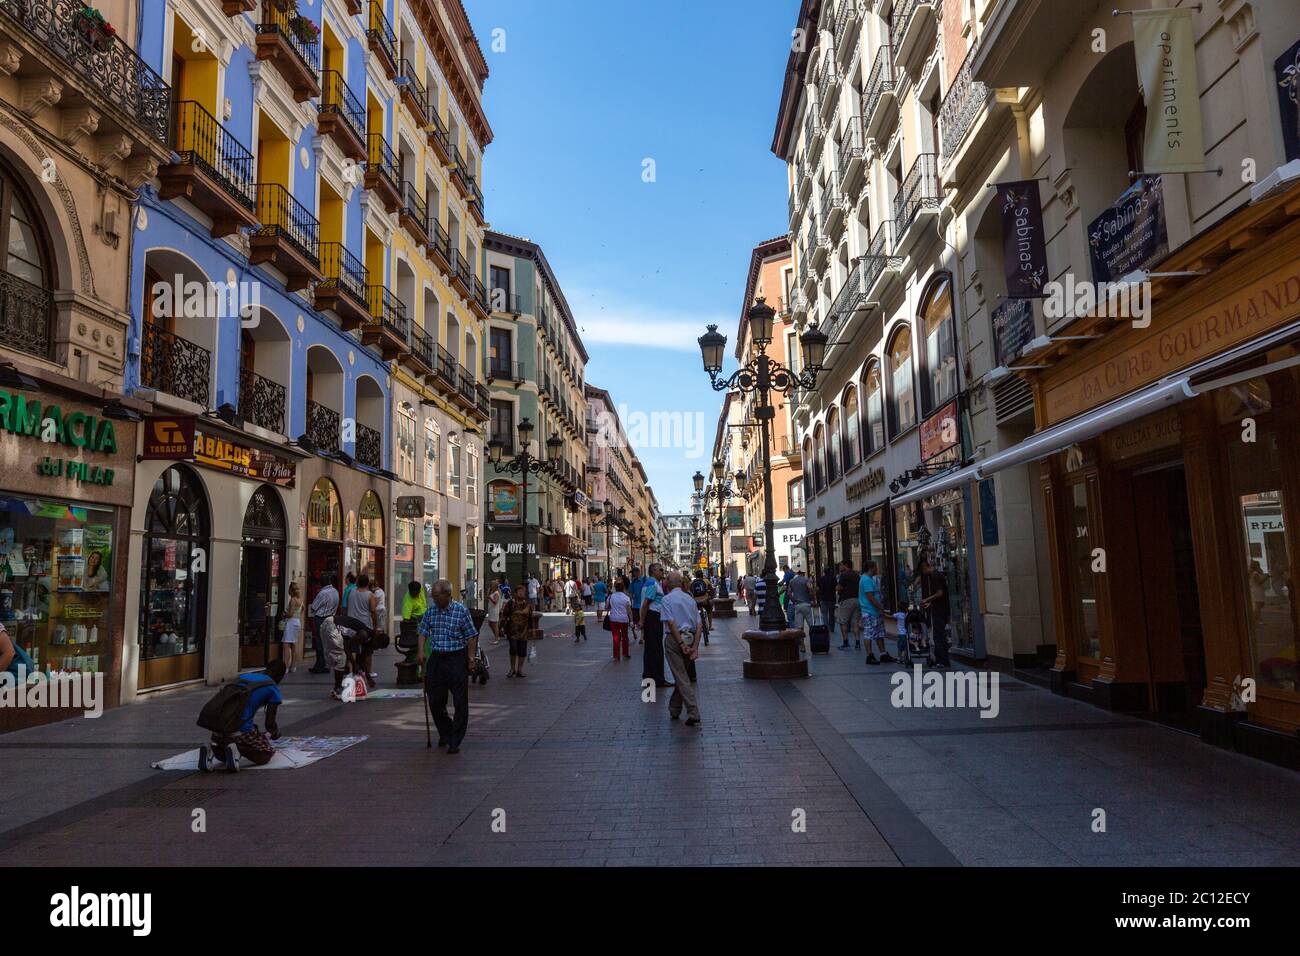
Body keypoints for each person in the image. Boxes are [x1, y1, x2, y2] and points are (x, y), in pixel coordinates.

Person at [416, 580, 480, 753]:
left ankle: (455, 740)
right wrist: (421, 651)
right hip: (437, 658)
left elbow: (472, 635)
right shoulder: (431, 611)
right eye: (433, 597)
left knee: (460, 700)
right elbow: (422, 631)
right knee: (435, 700)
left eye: (437, 597)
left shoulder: (461, 611)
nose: (434, 600)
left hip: (456, 657)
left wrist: (471, 658)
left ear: (447, 595)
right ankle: (446, 731)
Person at [199, 660, 285, 771]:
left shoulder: (244, 677)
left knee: (225, 754)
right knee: (265, 754)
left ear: (266, 669)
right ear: (280, 676)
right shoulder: (272, 688)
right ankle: (237, 749)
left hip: (218, 729)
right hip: (240, 732)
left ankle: (212, 750)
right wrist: (275, 733)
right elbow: (270, 723)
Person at [660, 572, 702, 726]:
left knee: (682, 677)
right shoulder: (690, 599)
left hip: (674, 639)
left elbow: (670, 622)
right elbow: (699, 625)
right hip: (690, 638)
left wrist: (680, 644)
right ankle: (674, 708)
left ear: (669, 584)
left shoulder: (666, 599)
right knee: (681, 675)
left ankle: (693, 711)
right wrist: (695, 647)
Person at [640, 563, 671, 688]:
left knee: (651, 649)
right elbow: (646, 603)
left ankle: (649, 678)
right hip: (653, 617)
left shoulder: (652, 583)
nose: (663, 572)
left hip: (652, 617)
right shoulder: (652, 583)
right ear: (654, 571)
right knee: (656, 649)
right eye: (661, 570)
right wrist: (642, 621)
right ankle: (657, 679)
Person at [345, 573, 379, 685]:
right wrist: (375, 626)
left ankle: (351, 673)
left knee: (351, 649)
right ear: (368, 583)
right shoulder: (370, 595)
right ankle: (367, 673)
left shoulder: (351, 592)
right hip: (365, 627)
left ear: (358, 582)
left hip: (351, 626)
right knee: (367, 651)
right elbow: (373, 612)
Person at [919, 558, 952, 667]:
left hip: (940, 611)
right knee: (940, 635)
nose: (923, 573)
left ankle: (942, 661)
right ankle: (943, 659)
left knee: (939, 635)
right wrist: (931, 603)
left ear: (925, 566)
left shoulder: (935, 576)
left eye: (922, 570)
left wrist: (927, 600)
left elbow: (939, 593)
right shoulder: (937, 575)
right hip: (940, 608)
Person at [859, 560, 892, 665]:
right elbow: (870, 597)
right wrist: (880, 607)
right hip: (870, 611)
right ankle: (870, 655)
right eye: (875, 567)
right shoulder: (866, 580)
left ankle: (883, 654)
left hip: (874, 612)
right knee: (869, 633)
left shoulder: (870, 579)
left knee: (879, 633)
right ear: (871, 568)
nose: (877, 569)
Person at [502, 583, 534, 678]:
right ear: (516, 593)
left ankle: (520, 670)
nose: (522, 593)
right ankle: (512, 669)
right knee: (513, 648)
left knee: (522, 651)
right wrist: (502, 627)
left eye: (523, 592)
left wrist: (532, 630)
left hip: (523, 631)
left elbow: (530, 617)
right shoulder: (510, 603)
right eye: (520, 592)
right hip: (512, 631)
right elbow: (504, 616)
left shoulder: (527, 604)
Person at [786, 567, 814, 652]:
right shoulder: (806, 580)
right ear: (803, 573)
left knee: (799, 627)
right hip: (806, 604)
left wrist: (794, 600)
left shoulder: (792, 581)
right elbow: (810, 588)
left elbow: (789, 593)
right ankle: (814, 642)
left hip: (797, 606)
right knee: (811, 625)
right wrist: (812, 599)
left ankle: (802, 645)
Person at [835, 560, 861, 650]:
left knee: (843, 621)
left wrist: (837, 588)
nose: (840, 567)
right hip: (857, 599)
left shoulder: (844, 575)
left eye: (841, 565)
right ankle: (857, 642)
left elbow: (839, 587)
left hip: (847, 600)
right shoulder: (857, 575)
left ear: (845, 565)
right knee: (855, 622)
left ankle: (845, 642)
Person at [607, 578, 633, 661]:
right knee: (625, 637)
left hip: (613, 619)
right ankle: (625, 653)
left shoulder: (611, 597)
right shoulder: (626, 598)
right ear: (623, 588)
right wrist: (631, 621)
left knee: (615, 638)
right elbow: (629, 611)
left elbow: (606, 607)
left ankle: (616, 655)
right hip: (624, 619)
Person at [281, 581, 303, 672]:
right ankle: (293, 666)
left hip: (291, 622)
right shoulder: (300, 599)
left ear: (290, 590)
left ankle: (285, 666)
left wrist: (284, 614)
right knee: (294, 644)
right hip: (297, 622)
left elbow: (290, 614)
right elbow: (303, 609)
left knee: (286, 644)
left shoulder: (293, 599)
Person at [689, 569, 713, 643]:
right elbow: (711, 589)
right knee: (709, 610)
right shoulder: (706, 581)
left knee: (694, 613)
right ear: (702, 575)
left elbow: (690, 592)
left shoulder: (692, 582)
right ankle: (710, 626)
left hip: (696, 601)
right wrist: (710, 596)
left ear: (695, 575)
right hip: (705, 600)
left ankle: (695, 625)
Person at [486, 575, 505, 645]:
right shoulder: (492, 592)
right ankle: (496, 636)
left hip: (494, 611)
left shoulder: (496, 593)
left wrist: (490, 598)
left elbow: (495, 602)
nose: (490, 586)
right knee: (490, 623)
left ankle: (496, 638)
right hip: (491, 610)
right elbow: (487, 596)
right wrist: (489, 591)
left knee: (494, 624)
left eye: (491, 585)